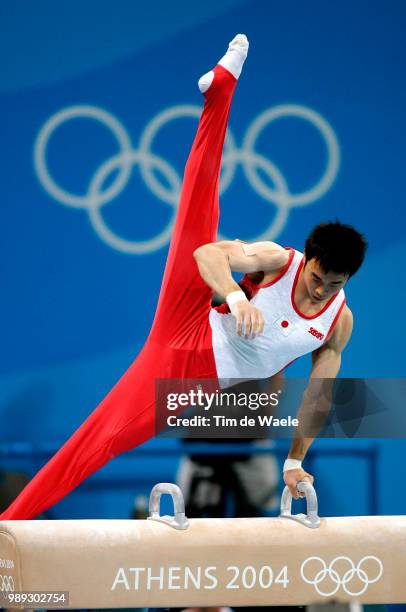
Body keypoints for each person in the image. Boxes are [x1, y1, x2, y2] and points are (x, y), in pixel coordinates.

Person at [0, 34, 367, 521]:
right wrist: (236, 299)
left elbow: (318, 398)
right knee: (199, 216)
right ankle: (223, 89)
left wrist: (295, 460)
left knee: (100, 444)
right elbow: (206, 254)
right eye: (318, 277)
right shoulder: (279, 260)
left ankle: (9, 519)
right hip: (188, 329)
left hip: (189, 380)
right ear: (310, 259)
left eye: (334, 285)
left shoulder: (338, 323)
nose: (321, 290)